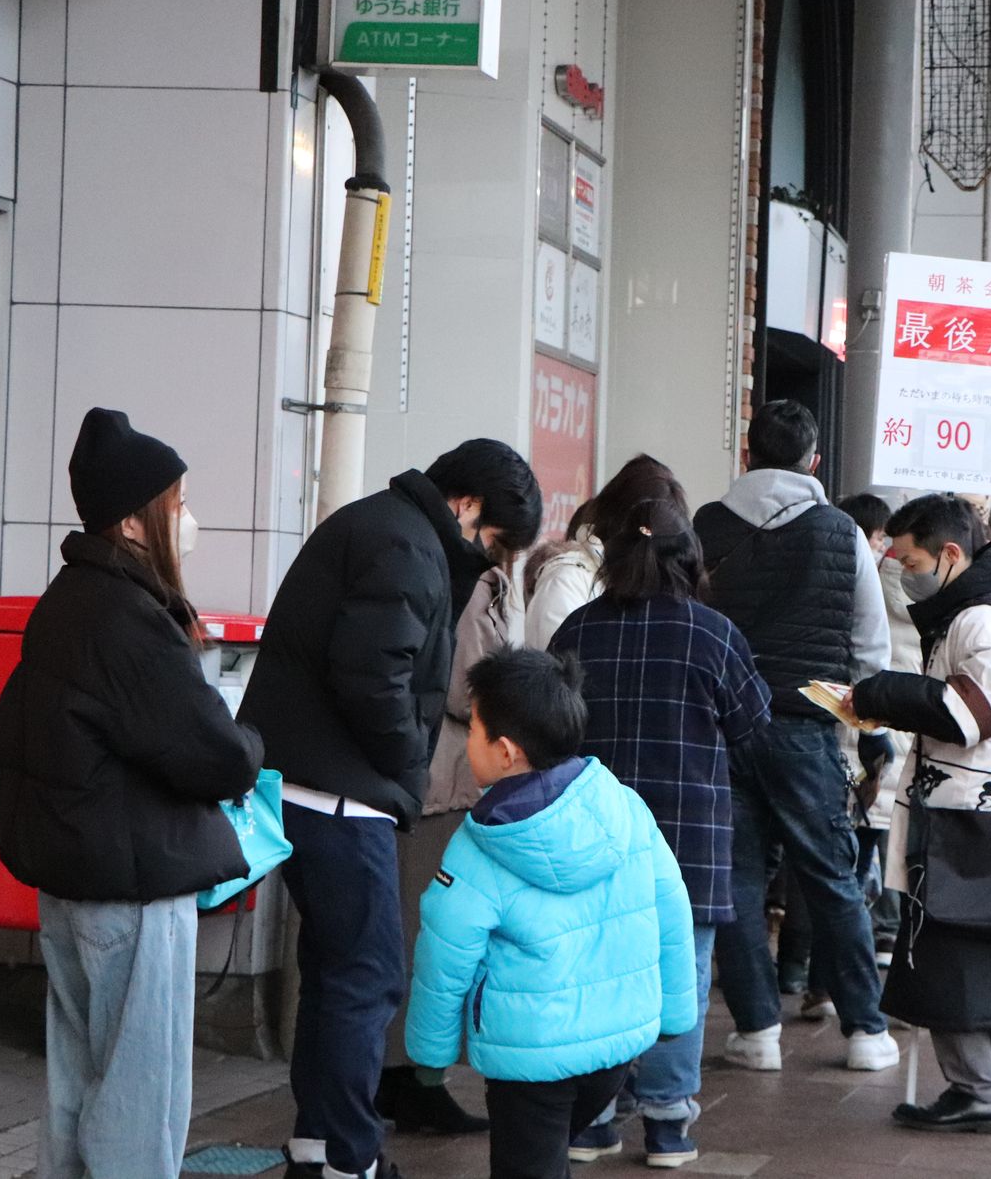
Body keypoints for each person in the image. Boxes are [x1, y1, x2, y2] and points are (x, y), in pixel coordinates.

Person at [242, 439, 541, 1179]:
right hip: (340, 794)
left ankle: (318, 1142)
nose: (489, 556)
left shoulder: (385, 527)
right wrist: (407, 759)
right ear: (467, 505)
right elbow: (373, 676)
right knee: (370, 974)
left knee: (339, 970)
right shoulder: (405, 544)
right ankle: (349, 1157)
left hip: (312, 782)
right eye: (495, 540)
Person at [0, 408, 264, 1179]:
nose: (186, 518)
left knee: (77, 1086)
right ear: (135, 523)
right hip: (133, 888)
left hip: (74, 883)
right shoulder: (128, 617)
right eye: (175, 502)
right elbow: (211, 753)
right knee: (138, 1101)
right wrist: (252, 743)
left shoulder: (69, 600)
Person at [405, 648, 698, 1179]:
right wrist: (676, 1014)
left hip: (530, 1058)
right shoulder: (625, 807)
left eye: (473, 731)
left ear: (507, 751)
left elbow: (443, 954)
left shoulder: (478, 848)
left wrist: (430, 1055)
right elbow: (673, 908)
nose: (466, 742)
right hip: (615, 1048)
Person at [551, 500, 771, 1166]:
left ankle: (594, 1117)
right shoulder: (715, 634)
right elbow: (755, 728)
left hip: (594, 837)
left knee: (598, 974)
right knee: (682, 977)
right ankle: (669, 1124)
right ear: (690, 561)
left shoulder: (576, 631)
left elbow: (550, 732)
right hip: (689, 839)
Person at [691, 400, 897, 1073]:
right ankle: (865, 1030)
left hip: (723, 727)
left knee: (738, 880)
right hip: (806, 726)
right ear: (813, 459)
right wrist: (869, 734)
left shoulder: (707, 523)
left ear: (747, 451)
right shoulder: (841, 532)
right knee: (830, 876)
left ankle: (757, 1031)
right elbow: (871, 643)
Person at [849, 494, 991, 1134]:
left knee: (947, 955)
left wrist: (879, 694)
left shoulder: (982, 621)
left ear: (949, 555)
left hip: (967, 816)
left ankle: (976, 1090)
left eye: (909, 560)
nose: (903, 571)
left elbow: (969, 715)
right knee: (988, 951)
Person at [376, 555, 519, 1137]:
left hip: (438, 778)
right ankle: (410, 1083)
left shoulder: (437, 570)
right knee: (428, 939)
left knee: (424, 934)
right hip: (446, 782)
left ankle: (408, 1080)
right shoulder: (471, 580)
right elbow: (470, 687)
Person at [841, 491, 916, 965]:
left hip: (855, 714)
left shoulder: (855, 577)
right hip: (904, 711)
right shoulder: (926, 586)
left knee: (851, 832)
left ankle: (833, 947)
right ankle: (889, 928)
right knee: (891, 823)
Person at [525, 455, 688, 649]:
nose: (653, 547)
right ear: (619, 521)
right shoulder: (566, 581)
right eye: (647, 531)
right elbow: (564, 671)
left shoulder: (651, 585)